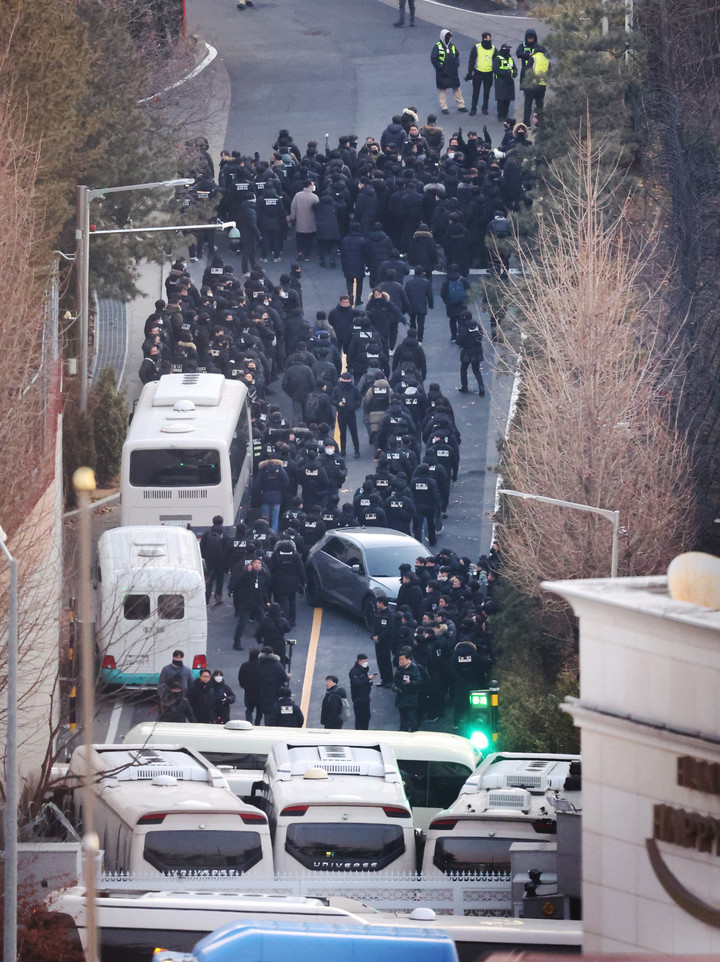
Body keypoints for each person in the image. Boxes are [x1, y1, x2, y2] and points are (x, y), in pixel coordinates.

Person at [269, 539, 306, 626]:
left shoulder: (276, 555)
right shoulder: (295, 555)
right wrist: (303, 581)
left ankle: (285, 620)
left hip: (279, 582)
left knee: (283, 601)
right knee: (292, 601)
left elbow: (271, 569)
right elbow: (301, 569)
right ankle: (292, 620)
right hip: (293, 582)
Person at [431, 30, 467, 115]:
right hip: (442, 71)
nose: (448, 38)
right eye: (447, 36)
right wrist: (440, 67)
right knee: (443, 89)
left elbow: (457, 55)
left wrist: (456, 64)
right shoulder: (437, 46)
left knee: (456, 88)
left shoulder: (452, 46)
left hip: (452, 71)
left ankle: (461, 105)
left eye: (449, 36)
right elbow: (434, 58)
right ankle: (444, 107)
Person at [331, 371, 362, 458]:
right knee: (342, 433)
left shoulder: (354, 389)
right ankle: (343, 450)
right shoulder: (337, 389)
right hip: (342, 413)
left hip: (351, 413)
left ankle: (357, 450)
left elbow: (359, 400)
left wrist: (354, 406)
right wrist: (338, 403)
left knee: (354, 433)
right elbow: (332, 400)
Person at [256, 645, 290, 724]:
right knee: (274, 711)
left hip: (262, 693)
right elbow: (284, 678)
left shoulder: (259, 665)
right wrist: (288, 676)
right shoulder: (278, 665)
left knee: (266, 713)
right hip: (275, 692)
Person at [199, 515, 229, 605]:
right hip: (220, 561)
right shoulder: (225, 535)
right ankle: (218, 597)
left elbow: (202, 547)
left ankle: (207, 597)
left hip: (208, 560)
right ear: (222, 522)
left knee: (209, 579)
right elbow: (227, 549)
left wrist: (204, 557)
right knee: (220, 578)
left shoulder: (207, 534)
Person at [393, 647, 423, 732]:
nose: (400, 662)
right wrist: (395, 688)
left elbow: (419, 681)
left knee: (412, 719)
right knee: (403, 721)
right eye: (399, 660)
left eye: (402, 659)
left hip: (411, 698)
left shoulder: (414, 669)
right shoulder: (399, 669)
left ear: (408, 659)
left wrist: (410, 682)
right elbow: (394, 682)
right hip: (401, 698)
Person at [289, 179, 319, 261]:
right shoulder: (314, 197)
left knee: (299, 238)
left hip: (300, 222)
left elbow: (293, 207)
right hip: (311, 222)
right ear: (309, 186)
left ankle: (300, 252)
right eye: (313, 185)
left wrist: (293, 217)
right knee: (309, 240)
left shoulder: (298, 195)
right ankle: (307, 255)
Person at [466, 31, 495, 116]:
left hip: (489, 73)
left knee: (487, 93)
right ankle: (473, 109)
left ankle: (485, 108)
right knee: (475, 92)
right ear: (483, 38)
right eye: (486, 38)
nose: (487, 40)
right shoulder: (477, 47)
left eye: (489, 38)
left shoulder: (493, 48)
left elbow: (496, 61)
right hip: (478, 72)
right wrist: (470, 72)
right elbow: (471, 60)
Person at [521, 44, 550, 127]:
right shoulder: (546, 60)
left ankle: (526, 123)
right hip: (542, 85)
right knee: (540, 105)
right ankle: (539, 122)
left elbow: (527, 70)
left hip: (531, 85)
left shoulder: (533, 58)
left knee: (528, 104)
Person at [456, 315, 486, 395]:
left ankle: (464, 386)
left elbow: (458, 341)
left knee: (463, 369)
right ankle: (481, 386)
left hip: (467, 352)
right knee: (476, 370)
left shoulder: (464, 330)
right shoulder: (478, 328)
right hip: (477, 352)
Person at [349, 653, 377, 730]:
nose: (366, 663)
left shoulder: (363, 670)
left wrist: (369, 681)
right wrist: (368, 679)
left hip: (365, 697)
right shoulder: (354, 672)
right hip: (358, 698)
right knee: (360, 718)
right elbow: (357, 683)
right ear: (359, 661)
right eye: (365, 661)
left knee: (366, 716)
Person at [492, 42, 517, 121]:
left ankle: (505, 114)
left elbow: (514, 69)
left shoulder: (510, 58)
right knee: (501, 99)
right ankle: (500, 115)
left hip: (509, 81)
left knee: (508, 98)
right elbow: (495, 69)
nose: (509, 50)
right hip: (500, 81)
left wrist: (513, 73)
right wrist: (506, 73)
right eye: (507, 49)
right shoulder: (498, 58)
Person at [237, 647, 262, 724]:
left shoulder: (245, 665)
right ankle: (257, 722)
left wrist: (244, 686)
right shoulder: (261, 666)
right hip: (259, 691)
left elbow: (240, 677)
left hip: (249, 690)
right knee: (260, 709)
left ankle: (249, 721)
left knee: (249, 708)